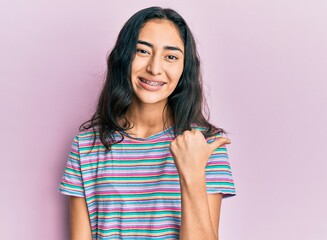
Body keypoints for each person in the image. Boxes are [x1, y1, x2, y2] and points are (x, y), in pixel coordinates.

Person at [58, 6, 236, 240]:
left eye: (171, 56)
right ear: (123, 56)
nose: (154, 68)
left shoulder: (206, 145)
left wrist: (192, 172)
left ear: (184, 68)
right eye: (142, 51)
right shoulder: (86, 145)